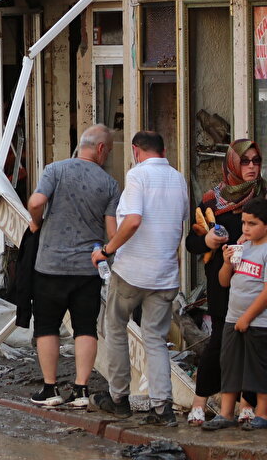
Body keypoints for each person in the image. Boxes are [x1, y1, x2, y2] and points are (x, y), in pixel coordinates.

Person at [90, 131, 190, 426]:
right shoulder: (178, 178)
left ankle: (119, 399)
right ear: (164, 149)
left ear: (135, 151)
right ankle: (163, 408)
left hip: (132, 271)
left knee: (115, 328)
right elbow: (178, 223)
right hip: (165, 274)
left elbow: (133, 220)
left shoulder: (137, 176)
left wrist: (107, 250)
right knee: (155, 339)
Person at [25, 124, 120, 408]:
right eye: (110, 151)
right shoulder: (110, 184)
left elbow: (36, 201)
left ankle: (50, 389)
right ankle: (81, 390)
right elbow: (113, 234)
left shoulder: (56, 170)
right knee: (85, 328)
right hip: (87, 268)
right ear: (101, 148)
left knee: (47, 326)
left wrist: (36, 220)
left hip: (50, 266)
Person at [184, 139, 263, 425]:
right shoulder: (212, 200)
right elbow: (191, 241)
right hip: (223, 280)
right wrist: (207, 240)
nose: (252, 166)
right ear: (232, 164)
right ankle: (199, 402)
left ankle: (247, 406)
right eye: (245, 161)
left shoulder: (264, 196)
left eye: (256, 161)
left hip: (256, 280)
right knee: (220, 343)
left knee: (255, 345)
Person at [206, 196, 267, 431]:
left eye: (252, 224)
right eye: (244, 223)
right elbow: (224, 282)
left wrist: (247, 318)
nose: (246, 228)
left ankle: (262, 413)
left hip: (258, 321)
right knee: (229, 365)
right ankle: (226, 413)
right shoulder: (243, 248)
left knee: (258, 368)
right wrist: (226, 263)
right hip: (233, 317)